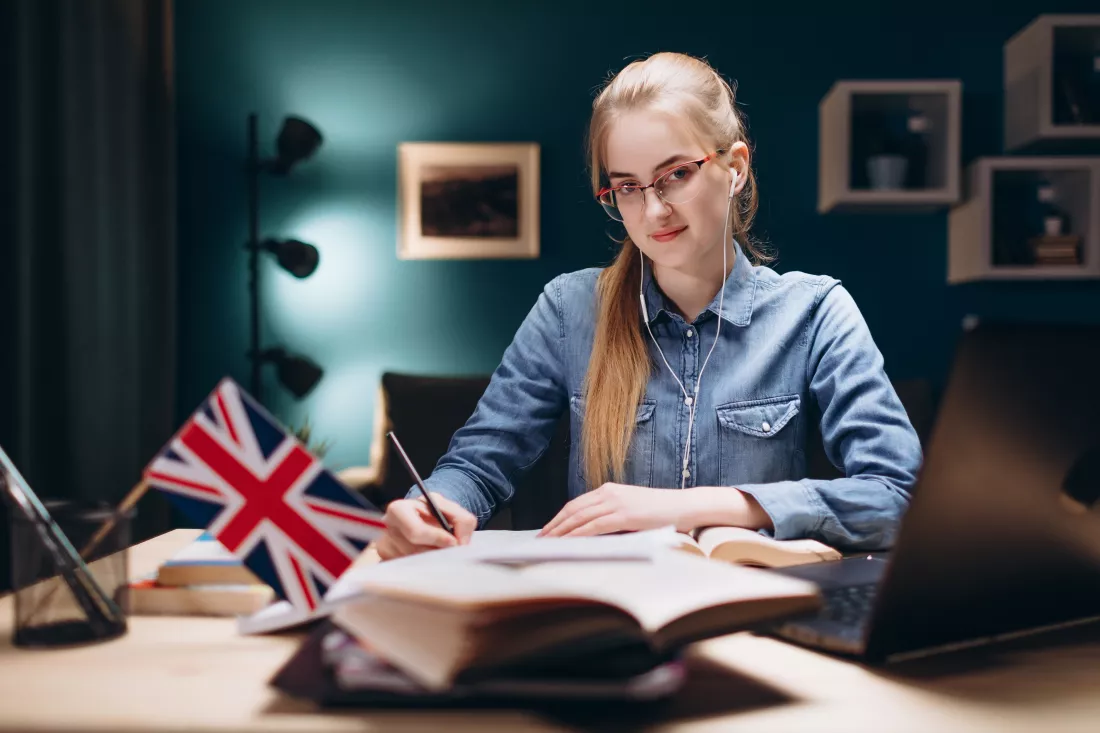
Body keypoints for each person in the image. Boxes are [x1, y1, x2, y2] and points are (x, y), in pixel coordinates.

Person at [372, 51, 922, 561]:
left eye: (676, 174)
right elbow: (476, 465)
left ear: (735, 167)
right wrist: (432, 506)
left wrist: (698, 507)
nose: (654, 211)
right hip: (608, 615)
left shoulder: (816, 312)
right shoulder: (567, 310)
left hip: (755, 614)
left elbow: (898, 496)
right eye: (628, 187)